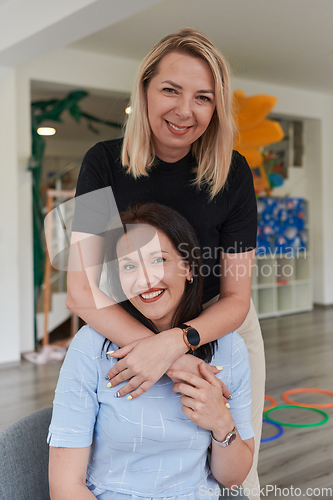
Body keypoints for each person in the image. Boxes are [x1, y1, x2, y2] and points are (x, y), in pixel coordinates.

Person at [67, 28, 265, 500]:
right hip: (123, 325)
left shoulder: (233, 172)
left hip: (216, 330)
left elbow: (237, 298)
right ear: (145, 90)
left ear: (216, 108)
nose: (184, 111)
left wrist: (179, 343)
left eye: (203, 97)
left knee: (237, 469)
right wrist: (157, 349)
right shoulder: (102, 163)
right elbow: (81, 290)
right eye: (170, 90)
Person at [49, 202, 254, 500]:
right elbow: (65, 487)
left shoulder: (228, 348)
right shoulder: (91, 346)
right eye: (129, 266)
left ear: (188, 267)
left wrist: (222, 423)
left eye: (158, 260)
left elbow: (233, 480)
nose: (144, 280)